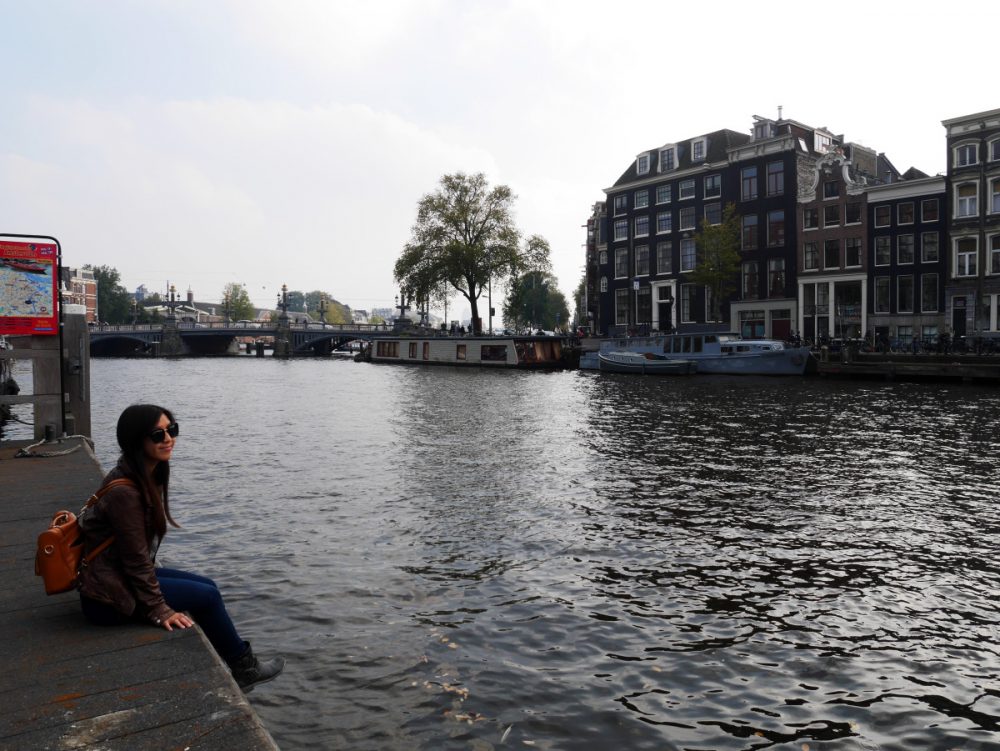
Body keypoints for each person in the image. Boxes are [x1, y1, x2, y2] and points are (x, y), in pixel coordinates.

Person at [78, 404, 284, 692]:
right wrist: (159, 610)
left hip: (113, 578)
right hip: (107, 600)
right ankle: (244, 668)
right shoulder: (126, 492)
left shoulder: (139, 474)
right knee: (208, 597)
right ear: (136, 440)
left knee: (208, 586)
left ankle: (238, 663)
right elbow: (136, 562)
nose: (168, 439)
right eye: (158, 434)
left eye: (171, 430)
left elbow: (135, 557)